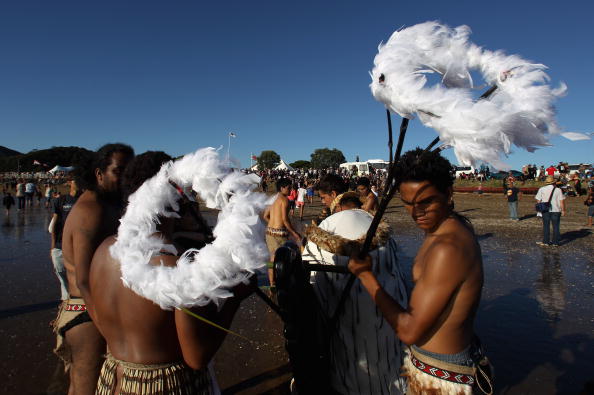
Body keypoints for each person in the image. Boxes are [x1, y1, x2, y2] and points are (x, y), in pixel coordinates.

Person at [89, 151, 249, 394]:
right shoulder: (176, 269)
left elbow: (97, 315)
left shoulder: (103, 250)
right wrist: (237, 295)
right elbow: (196, 357)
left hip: (112, 379)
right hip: (163, 385)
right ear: (175, 195)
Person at [348, 148, 492, 394]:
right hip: (445, 361)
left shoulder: (447, 248)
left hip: (442, 376)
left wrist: (365, 276)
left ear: (448, 193)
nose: (416, 212)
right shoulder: (449, 226)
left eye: (426, 202)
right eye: (407, 203)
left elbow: (408, 331)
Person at [52, 143, 134, 395]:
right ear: (99, 174)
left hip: (91, 309)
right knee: (86, 387)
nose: (125, 179)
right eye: (119, 171)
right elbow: (86, 279)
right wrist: (108, 327)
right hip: (87, 311)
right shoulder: (91, 211)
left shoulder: (106, 204)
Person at [301, 204, 407, 394]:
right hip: (391, 345)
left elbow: (313, 294)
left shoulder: (323, 239)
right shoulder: (383, 239)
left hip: (348, 366)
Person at [262, 178, 300, 289]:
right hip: (279, 234)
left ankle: (272, 283)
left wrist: (272, 226)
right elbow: (284, 220)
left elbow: (265, 216)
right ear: (282, 188)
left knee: (272, 258)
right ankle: (277, 283)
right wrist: (294, 233)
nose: (290, 190)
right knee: (281, 258)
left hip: (269, 232)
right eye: (288, 187)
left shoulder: (273, 199)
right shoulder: (284, 200)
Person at [50, 179, 80, 301]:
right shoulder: (60, 200)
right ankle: (66, 300)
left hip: (78, 246)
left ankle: (76, 302)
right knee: (62, 275)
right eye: (75, 180)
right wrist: (52, 247)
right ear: (69, 183)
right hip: (59, 245)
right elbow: (54, 225)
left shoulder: (87, 201)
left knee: (77, 276)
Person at [535, 176, 566, 247]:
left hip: (545, 210)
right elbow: (561, 201)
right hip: (556, 210)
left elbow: (538, 200)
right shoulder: (558, 190)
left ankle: (546, 242)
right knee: (556, 227)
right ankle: (555, 242)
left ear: (546, 182)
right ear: (553, 182)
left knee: (546, 226)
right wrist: (563, 210)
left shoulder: (542, 189)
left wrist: (539, 209)